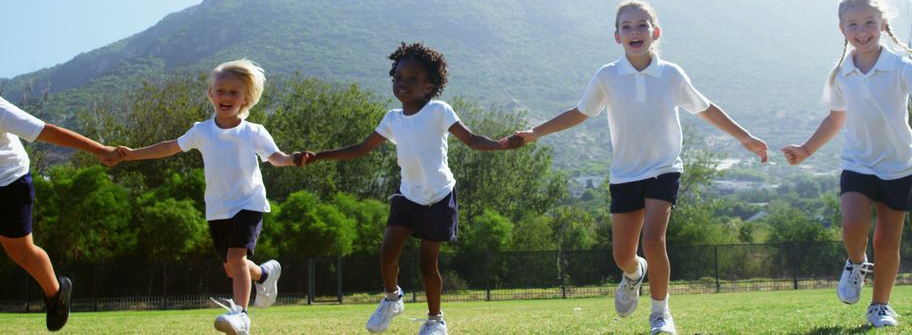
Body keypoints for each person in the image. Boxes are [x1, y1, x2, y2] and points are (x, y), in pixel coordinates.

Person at [515, 0, 768, 335]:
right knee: (623, 255)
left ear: (655, 32)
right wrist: (536, 132)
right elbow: (580, 112)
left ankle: (661, 315)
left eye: (641, 25)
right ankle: (634, 274)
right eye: (626, 27)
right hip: (624, 174)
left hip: (664, 169)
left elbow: (706, 109)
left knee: (654, 239)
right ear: (617, 36)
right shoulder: (607, 76)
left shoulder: (671, 74)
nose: (635, 31)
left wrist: (745, 138)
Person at [299, 42, 521, 335]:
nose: (402, 83)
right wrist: (320, 155)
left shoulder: (439, 111)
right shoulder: (392, 119)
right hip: (407, 196)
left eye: (412, 78)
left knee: (427, 264)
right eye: (398, 77)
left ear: (429, 86)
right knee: (387, 253)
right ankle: (393, 298)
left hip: (439, 197)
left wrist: (501, 144)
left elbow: (471, 139)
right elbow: (362, 148)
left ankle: (435, 320)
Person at [782, 0, 912, 328]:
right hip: (858, 163)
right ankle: (856, 262)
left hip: (899, 167)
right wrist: (805, 150)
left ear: (883, 24)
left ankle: (880, 306)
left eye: (869, 23)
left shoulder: (900, 66)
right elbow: (836, 118)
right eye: (853, 24)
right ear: (842, 30)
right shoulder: (840, 74)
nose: (861, 31)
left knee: (887, 240)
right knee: (853, 227)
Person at [115, 59, 302, 335]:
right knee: (232, 268)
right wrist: (132, 154)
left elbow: (275, 157)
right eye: (221, 90)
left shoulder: (253, 132)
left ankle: (240, 316)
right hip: (217, 209)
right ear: (210, 94)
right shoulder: (201, 131)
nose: (226, 97)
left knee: (237, 259)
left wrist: (292, 159)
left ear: (246, 99)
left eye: (234, 92)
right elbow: (170, 147)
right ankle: (264, 274)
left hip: (249, 204)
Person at [0, 96, 119, 331]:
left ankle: (56, 294)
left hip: (11, 181)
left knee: (20, 251)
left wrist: (98, 149)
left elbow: (47, 131)